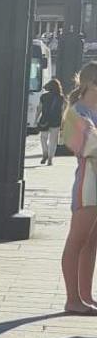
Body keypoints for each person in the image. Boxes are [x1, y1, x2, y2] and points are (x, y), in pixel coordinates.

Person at [60, 62, 97, 315]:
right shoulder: (75, 112)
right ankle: (72, 298)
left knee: (92, 241)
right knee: (78, 239)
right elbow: (84, 145)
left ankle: (86, 295)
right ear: (91, 83)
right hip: (88, 181)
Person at [40, 78, 65, 166]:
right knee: (53, 141)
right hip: (56, 120)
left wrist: (36, 120)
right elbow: (62, 110)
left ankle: (45, 153)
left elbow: (39, 108)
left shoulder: (43, 96)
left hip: (45, 120)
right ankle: (50, 159)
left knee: (43, 138)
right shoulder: (61, 97)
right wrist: (63, 122)